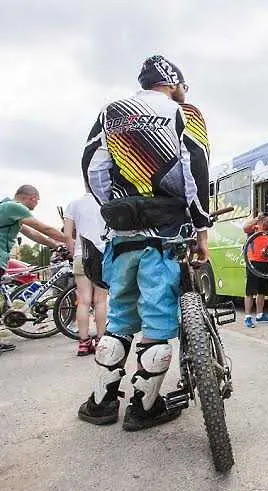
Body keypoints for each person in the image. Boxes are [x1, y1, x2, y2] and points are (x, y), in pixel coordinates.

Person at [78, 55, 212, 431]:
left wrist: (116, 208)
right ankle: (143, 408)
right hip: (165, 234)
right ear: (174, 83)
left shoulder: (110, 112)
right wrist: (201, 227)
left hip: (123, 236)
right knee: (156, 321)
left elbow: (93, 168)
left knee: (119, 318)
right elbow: (196, 170)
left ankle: (102, 404)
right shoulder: (183, 112)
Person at [0, 185, 67, 353]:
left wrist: (56, 245)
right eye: (37, 201)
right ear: (32, 198)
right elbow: (43, 228)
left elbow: (32, 234)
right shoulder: (14, 207)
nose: (36, 205)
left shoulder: (8, 209)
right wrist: (71, 240)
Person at [63, 190, 108, 356]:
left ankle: (83, 343)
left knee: (83, 300)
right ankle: (101, 340)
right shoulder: (106, 200)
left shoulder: (73, 204)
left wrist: (74, 251)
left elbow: (67, 235)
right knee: (100, 301)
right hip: (102, 254)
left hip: (82, 254)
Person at [241, 213, 268, 327]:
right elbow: (244, 228)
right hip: (252, 262)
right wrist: (256, 219)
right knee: (250, 291)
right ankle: (247, 317)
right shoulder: (254, 229)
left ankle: (260, 315)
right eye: (267, 220)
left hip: (265, 263)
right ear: (261, 221)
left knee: (262, 291)